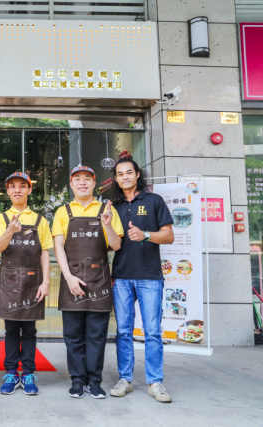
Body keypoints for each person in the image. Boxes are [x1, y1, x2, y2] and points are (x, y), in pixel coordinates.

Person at [53, 165, 123, 399]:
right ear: (71, 184)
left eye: (87, 179)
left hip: (99, 280)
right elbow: (59, 248)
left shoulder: (107, 210)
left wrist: (107, 224)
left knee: (96, 335)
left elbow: (116, 245)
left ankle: (94, 381)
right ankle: (77, 380)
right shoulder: (63, 212)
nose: (82, 182)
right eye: (77, 179)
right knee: (73, 335)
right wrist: (68, 277)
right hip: (71, 279)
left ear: (94, 183)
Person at [109, 158, 174, 403]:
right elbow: (110, 242)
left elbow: (169, 236)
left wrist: (145, 234)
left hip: (150, 276)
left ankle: (155, 382)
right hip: (121, 276)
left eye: (129, 172)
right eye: (120, 174)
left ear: (137, 174)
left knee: (153, 332)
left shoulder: (154, 200)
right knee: (123, 331)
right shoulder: (113, 206)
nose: (125, 177)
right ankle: (125, 379)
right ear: (116, 179)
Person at [0, 172, 52, 396]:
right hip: (9, 282)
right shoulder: (1, 218)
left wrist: (46, 282)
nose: (18, 190)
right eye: (13, 186)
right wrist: (10, 230)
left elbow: (45, 252)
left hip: (33, 282)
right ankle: (11, 373)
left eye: (22, 186)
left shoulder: (40, 220)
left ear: (29, 190)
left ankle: (28, 373)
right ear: (8, 191)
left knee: (30, 330)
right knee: (11, 330)